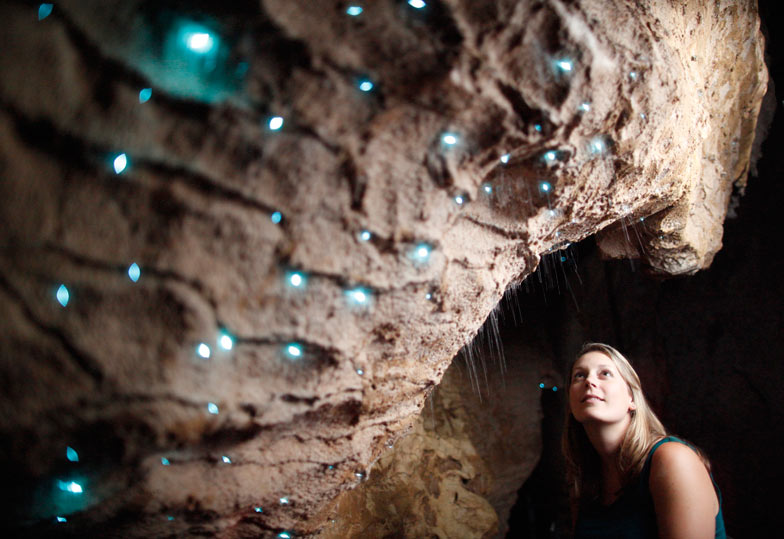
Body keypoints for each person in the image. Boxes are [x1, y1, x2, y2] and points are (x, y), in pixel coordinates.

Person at [562, 342, 726, 538]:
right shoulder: (584, 480)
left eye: (605, 373)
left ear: (631, 398)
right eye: (579, 375)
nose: (589, 381)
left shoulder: (672, 459)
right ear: (570, 403)